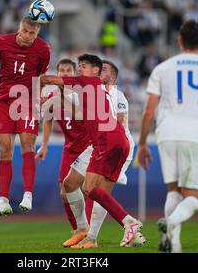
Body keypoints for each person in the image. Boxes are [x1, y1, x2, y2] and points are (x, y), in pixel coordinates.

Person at [137, 20, 198, 253]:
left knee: (174, 191)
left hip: (167, 134)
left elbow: (149, 111)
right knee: (194, 197)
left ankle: (174, 244)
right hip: (197, 135)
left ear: (179, 41)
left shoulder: (162, 68)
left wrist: (141, 143)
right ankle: (171, 223)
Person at [41, 54, 145, 248]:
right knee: (79, 186)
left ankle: (123, 223)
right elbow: (73, 110)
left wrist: (37, 73)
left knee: (90, 189)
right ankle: (121, 229)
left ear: (95, 71)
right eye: (79, 66)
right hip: (109, 142)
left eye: (83, 66)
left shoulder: (89, 83)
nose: (79, 69)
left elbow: (49, 79)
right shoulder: (93, 90)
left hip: (108, 141)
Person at [0, 16, 51, 216]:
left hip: (28, 101)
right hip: (5, 101)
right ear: (19, 28)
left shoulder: (43, 49)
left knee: (27, 143)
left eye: (32, 33)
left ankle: (27, 195)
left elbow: (40, 76)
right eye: (25, 31)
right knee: (5, 148)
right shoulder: (1, 41)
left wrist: (39, 95)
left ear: (37, 34)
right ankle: (4, 200)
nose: (27, 36)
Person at [68, 59, 136, 249]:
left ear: (112, 77)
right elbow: (70, 105)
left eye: (104, 69)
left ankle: (92, 237)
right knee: (70, 183)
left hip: (115, 143)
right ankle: (83, 229)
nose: (99, 71)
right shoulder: (90, 90)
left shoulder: (118, 95)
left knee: (97, 190)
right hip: (97, 144)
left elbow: (119, 123)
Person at [36, 58, 92, 244]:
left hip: (87, 147)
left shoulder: (80, 93)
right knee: (64, 192)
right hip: (69, 148)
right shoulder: (53, 97)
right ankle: (77, 230)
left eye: (69, 70)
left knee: (89, 189)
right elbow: (48, 120)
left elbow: (80, 114)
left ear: (74, 74)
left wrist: (59, 97)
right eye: (62, 70)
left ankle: (89, 233)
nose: (65, 73)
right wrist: (44, 145)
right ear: (57, 73)